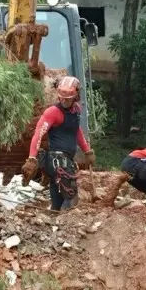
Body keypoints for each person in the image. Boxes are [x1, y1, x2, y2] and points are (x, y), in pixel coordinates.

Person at [21, 76, 95, 211]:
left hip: (62, 162)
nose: (64, 101)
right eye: (62, 98)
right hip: (58, 162)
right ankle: (64, 226)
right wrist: (32, 158)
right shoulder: (53, 112)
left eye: (68, 99)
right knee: (71, 197)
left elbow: (76, 130)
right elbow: (38, 134)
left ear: (76, 96)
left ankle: (53, 225)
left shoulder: (76, 111)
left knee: (57, 201)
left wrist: (87, 150)